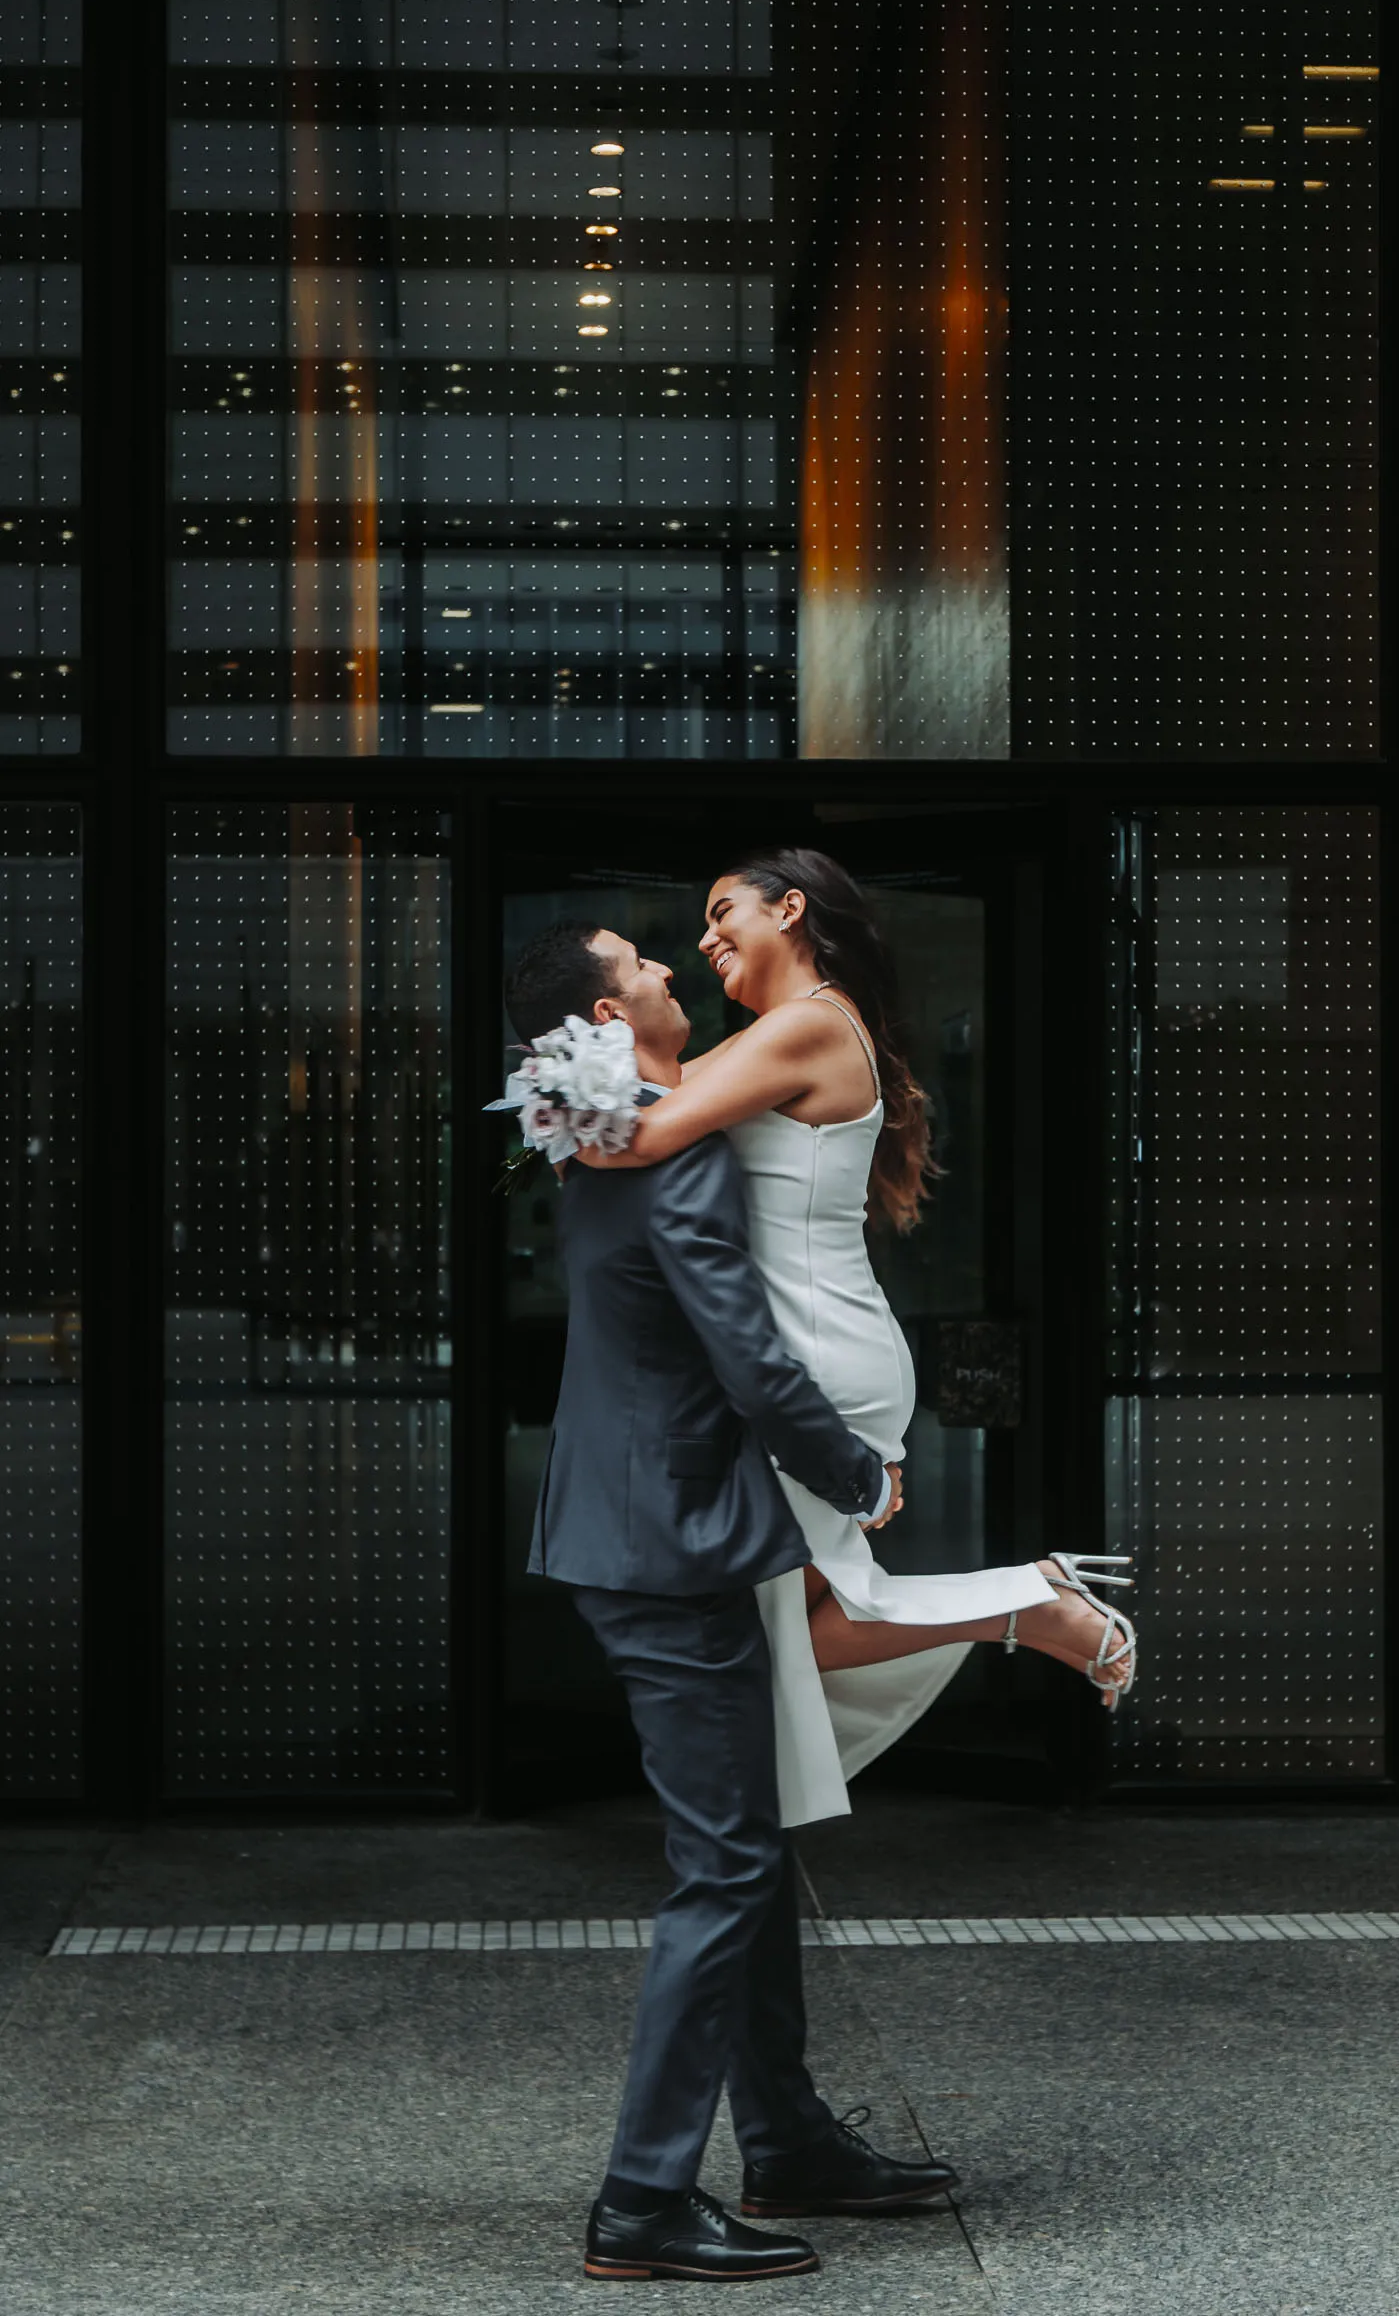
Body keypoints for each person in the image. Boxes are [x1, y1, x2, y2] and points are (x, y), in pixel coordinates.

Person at [503, 920, 959, 2286]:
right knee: (725, 1867)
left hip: (633, 1529)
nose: (666, 967)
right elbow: (747, 1354)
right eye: (638, 962)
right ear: (608, 1012)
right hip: (674, 1544)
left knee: (744, 1845)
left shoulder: (597, 1138)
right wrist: (855, 1472)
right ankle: (642, 2203)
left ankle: (790, 2140)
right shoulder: (671, 1146)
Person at [575, 846, 1136, 1829]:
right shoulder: (786, 1032)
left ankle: (1033, 1608)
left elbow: (641, 1134)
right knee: (784, 1623)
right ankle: (1028, 1606)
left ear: (790, 909)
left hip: (816, 1352)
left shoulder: (809, 1024)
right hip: (819, 1345)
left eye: (723, 913)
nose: (704, 940)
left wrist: (554, 1092)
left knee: (776, 1626)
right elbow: (657, 1102)